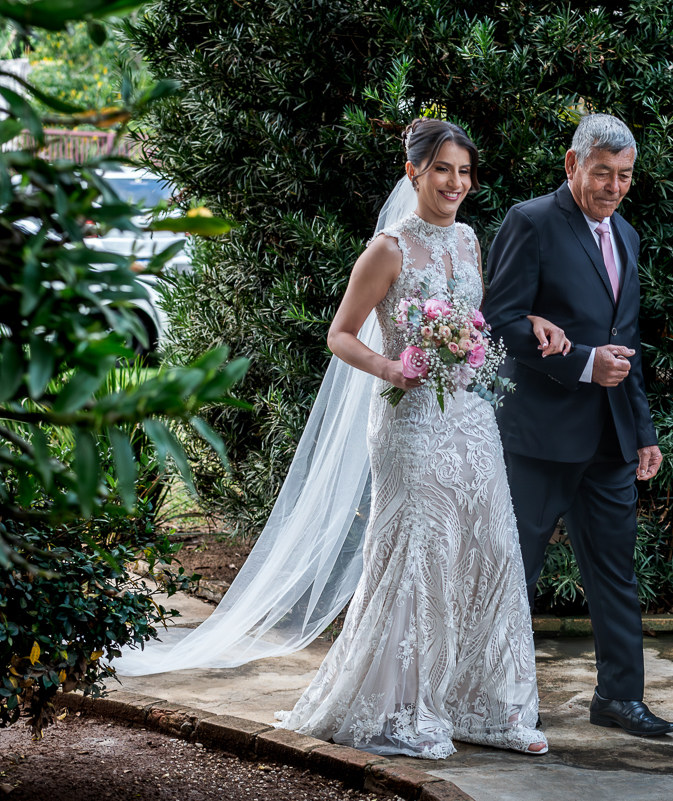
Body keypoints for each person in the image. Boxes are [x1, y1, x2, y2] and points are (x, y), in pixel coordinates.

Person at [116, 118, 560, 759]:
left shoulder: (468, 240)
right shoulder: (388, 250)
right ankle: (405, 710)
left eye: (464, 171)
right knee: (418, 556)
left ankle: (486, 706)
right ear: (413, 173)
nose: (455, 183)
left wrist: (523, 322)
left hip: (470, 419)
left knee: (487, 550)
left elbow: (474, 321)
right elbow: (341, 334)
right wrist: (392, 368)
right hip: (411, 423)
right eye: (442, 169)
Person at [483, 113, 673, 737]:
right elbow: (498, 321)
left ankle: (619, 699)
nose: (614, 187)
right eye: (602, 173)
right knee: (516, 574)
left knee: (616, 574)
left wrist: (643, 431)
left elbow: (628, 342)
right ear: (573, 165)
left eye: (625, 176)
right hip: (539, 437)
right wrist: (582, 363)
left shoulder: (628, 235)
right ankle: (502, 701)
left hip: (611, 438)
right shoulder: (531, 221)